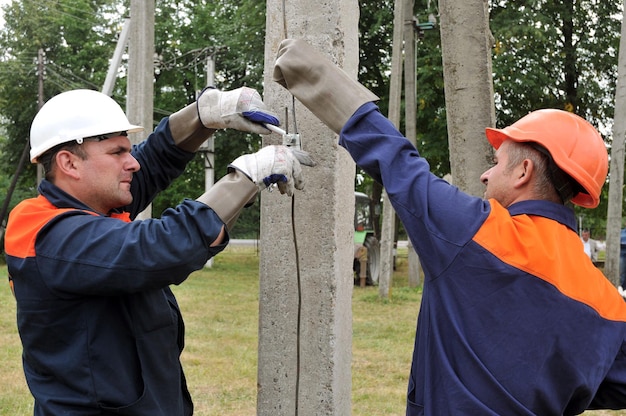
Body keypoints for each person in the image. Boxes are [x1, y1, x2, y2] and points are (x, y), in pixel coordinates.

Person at [272, 38, 626, 414]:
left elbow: (395, 158)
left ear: (524, 170)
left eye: (495, 161)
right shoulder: (608, 303)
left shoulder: (475, 232)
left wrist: (304, 66)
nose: (484, 175)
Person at [4, 87, 312, 415]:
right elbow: (164, 246)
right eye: (117, 153)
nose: (132, 163)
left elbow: (154, 160)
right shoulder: (50, 235)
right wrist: (247, 176)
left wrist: (206, 114)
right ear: (69, 163)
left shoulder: (92, 205)